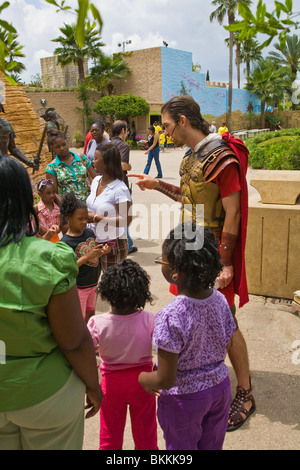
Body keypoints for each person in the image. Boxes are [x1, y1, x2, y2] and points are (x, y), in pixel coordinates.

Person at [129, 95, 255, 432]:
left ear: (183, 120)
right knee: (199, 312)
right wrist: (158, 185)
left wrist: (226, 264)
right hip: (194, 245)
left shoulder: (222, 158)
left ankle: (245, 390)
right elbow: (190, 199)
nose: (165, 132)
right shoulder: (192, 157)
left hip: (213, 252)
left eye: (168, 125)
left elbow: (233, 213)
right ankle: (206, 371)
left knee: (227, 320)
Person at [0, 157, 102, 450]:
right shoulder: (49, 257)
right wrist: (93, 386)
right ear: (23, 198)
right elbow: (73, 340)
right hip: (46, 397)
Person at [139, 224, 236, 450]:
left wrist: (141, 378)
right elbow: (227, 338)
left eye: (162, 261)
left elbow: (165, 379)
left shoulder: (170, 315)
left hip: (185, 401)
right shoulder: (220, 301)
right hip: (220, 390)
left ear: (176, 271)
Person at [87, 259, 158, 450]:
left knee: (109, 436)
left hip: (111, 385)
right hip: (144, 383)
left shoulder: (97, 323)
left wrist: (91, 385)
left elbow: (85, 355)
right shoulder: (151, 320)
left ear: (107, 293)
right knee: (146, 437)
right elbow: (165, 349)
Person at [60, 192, 111, 323]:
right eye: (80, 219)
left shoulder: (89, 232)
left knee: (91, 313)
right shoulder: (66, 242)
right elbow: (70, 266)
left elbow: (93, 252)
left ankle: (90, 337)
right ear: (68, 218)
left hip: (93, 283)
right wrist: (88, 256)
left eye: (86, 218)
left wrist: (102, 251)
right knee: (80, 317)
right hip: (79, 287)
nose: (84, 222)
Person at [86, 142, 132, 272]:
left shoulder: (120, 189)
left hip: (112, 243)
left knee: (113, 284)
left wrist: (96, 218)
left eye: (95, 158)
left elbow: (125, 220)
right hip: (94, 240)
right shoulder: (96, 181)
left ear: (107, 163)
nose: (93, 161)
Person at [46, 131, 96, 203]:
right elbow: (54, 193)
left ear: (67, 142)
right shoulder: (52, 168)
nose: (62, 148)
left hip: (88, 206)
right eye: (57, 147)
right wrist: (66, 209)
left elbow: (95, 178)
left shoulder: (82, 158)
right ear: (52, 148)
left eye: (64, 144)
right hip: (69, 210)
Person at [111, 119, 137, 254]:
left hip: (107, 185)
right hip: (120, 185)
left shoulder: (106, 144)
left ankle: (128, 243)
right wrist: (130, 166)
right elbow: (122, 165)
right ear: (122, 131)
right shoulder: (123, 146)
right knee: (125, 216)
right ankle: (127, 246)